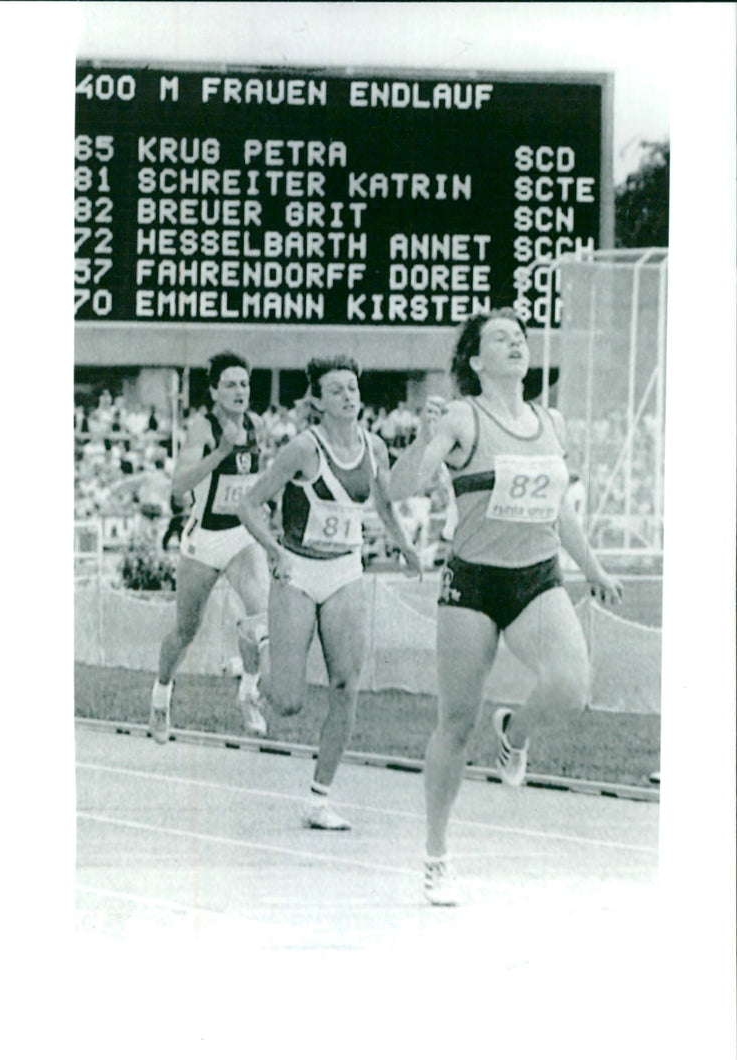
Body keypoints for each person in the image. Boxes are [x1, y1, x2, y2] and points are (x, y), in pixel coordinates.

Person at [389, 309, 623, 905]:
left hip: (537, 577)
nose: (516, 342)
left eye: (520, 336)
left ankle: (514, 733)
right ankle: (436, 857)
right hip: (473, 582)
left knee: (571, 688)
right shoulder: (464, 417)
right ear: (475, 360)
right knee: (456, 723)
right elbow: (401, 487)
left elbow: (560, 506)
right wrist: (423, 438)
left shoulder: (552, 422)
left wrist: (591, 568)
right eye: (501, 337)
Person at [238, 356, 422, 830]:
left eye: (353, 387)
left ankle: (319, 798)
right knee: (288, 702)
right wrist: (273, 550)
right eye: (337, 389)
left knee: (346, 684)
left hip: (344, 569)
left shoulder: (374, 446)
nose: (349, 395)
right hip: (297, 572)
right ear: (317, 401)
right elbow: (249, 504)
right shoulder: (303, 448)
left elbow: (382, 502)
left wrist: (405, 546)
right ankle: (258, 643)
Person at [149, 352, 270, 741]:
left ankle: (249, 692)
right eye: (231, 384)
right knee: (186, 630)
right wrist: (220, 452)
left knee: (260, 615)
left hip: (240, 535)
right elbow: (179, 486)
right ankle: (161, 697)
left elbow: (253, 480)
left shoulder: (256, 425)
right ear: (214, 391)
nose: (240, 391)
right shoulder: (202, 427)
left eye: (245, 384)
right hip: (203, 540)